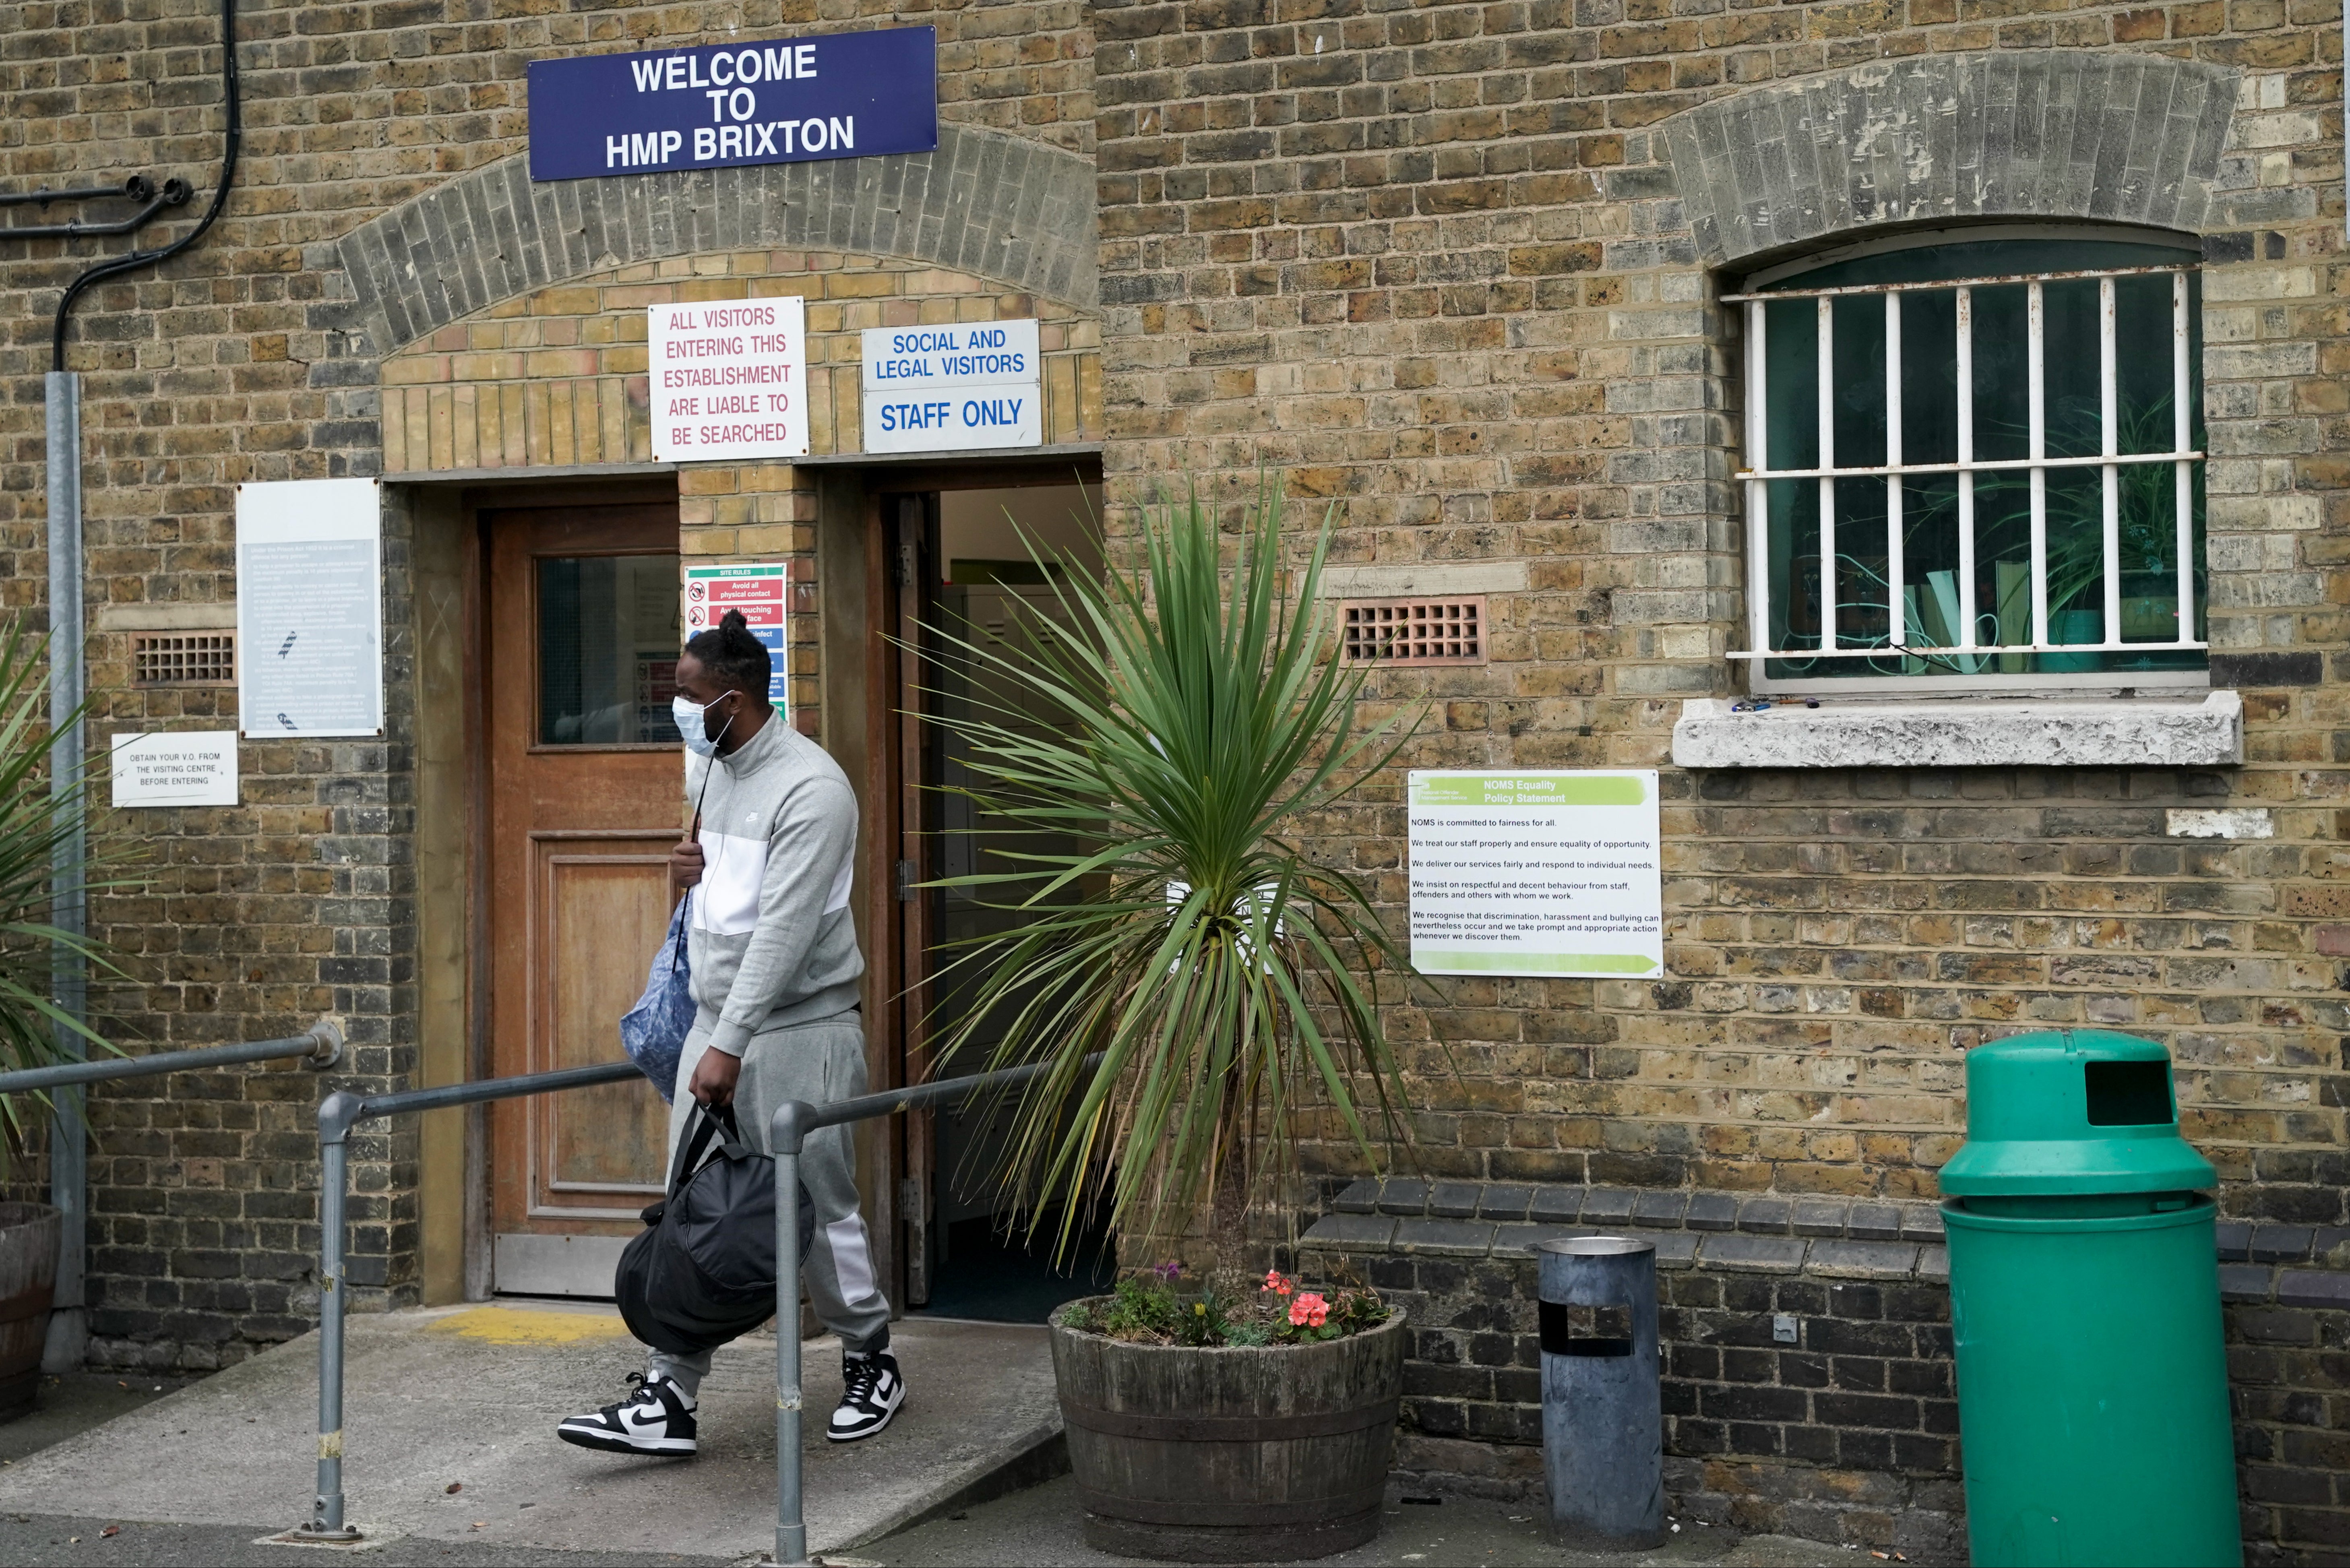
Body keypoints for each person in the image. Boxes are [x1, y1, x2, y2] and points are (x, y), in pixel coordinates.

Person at [558, 609, 903, 1456]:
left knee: (821, 1206)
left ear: (735, 696)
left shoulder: (813, 790)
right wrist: (680, 885)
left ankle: (870, 1355)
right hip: (719, 1030)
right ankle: (669, 1394)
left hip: (799, 1031)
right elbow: (723, 910)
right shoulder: (710, 769)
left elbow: (783, 935)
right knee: (692, 1212)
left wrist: (730, 1042)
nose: (675, 706)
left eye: (686, 694)